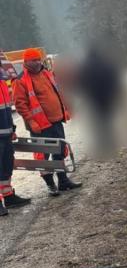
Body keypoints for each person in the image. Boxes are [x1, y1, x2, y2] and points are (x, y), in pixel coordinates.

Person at [12, 47, 81, 197]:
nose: (37, 62)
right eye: (33, 60)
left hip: (56, 121)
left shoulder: (46, 73)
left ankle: (63, 181)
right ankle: (51, 185)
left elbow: (58, 92)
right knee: (43, 157)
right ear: (26, 62)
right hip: (39, 127)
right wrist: (32, 121)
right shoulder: (20, 80)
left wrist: (66, 109)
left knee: (60, 151)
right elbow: (20, 105)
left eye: (38, 59)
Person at [0, 59, 30, 215]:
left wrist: (12, 128)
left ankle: (8, 196)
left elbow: (6, 110)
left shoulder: (2, 82)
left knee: (6, 166)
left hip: (5, 133)